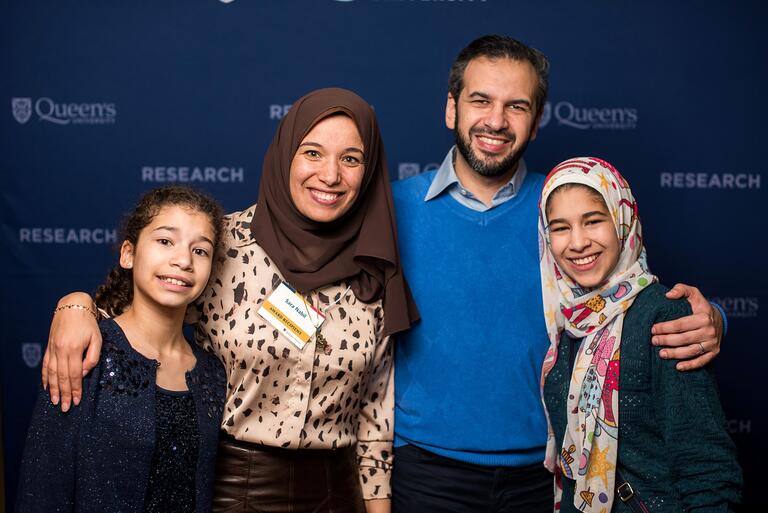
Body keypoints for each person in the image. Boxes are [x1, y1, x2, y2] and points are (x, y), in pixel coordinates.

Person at [39, 88, 418, 513]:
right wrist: (74, 305)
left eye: (350, 159)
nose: (330, 175)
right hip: (232, 489)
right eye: (312, 153)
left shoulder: (375, 264)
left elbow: (374, 416)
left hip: (337, 494)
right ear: (285, 154)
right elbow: (134, 318)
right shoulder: (222, 244)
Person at [390, 35, 726, 512]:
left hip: (548, 475)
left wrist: (713, 320)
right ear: (452, 109)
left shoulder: (561, 211)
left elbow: (626, 297)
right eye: (481, 100)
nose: (496, 121)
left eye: (517, 106)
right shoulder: (393, 209)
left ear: (537, 121)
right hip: (424, 474)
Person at [538, 157, 741, 512]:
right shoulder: (566, 323)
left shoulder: (665, 315)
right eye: (560, 227)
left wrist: (719, 319)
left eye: (593, 221)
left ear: (623, 221)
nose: (578, 242)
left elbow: (706, 467)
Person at [16, 186, 228, 513]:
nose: (183, 260)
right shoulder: (87, 351)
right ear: (128, 254)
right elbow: (43, 487)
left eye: (200, 251)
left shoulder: (211, 372)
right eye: (165, 241)